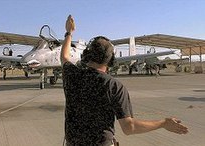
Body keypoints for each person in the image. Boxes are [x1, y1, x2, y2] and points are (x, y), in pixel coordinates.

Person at [60, 15, 188, 146]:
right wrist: (163, 123)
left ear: (87, 54)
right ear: (110, 60)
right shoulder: (114, 86)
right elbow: (129, 127)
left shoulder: (71, 74)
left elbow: (64, 56)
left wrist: (69, 32)